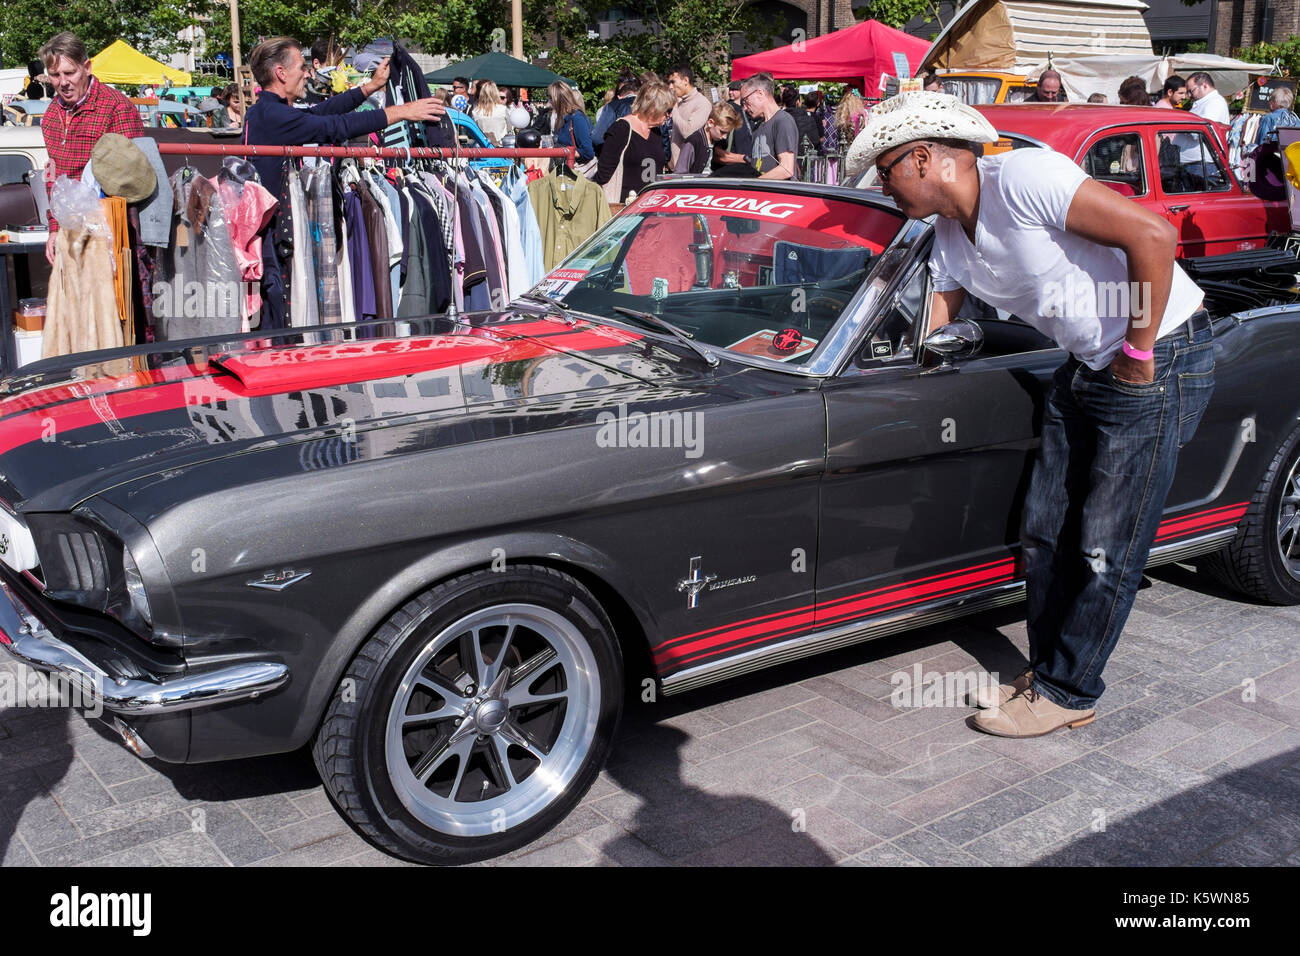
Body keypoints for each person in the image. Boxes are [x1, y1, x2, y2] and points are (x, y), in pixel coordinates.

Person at [846, 92, 1212, 737]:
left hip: (1158, 356)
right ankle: (1047, 671)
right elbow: (939, 321)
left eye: (887, 169)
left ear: (926, 158)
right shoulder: (949, 235)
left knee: (1106, 542)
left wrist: (1136, 350)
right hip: (1085, 364)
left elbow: (1152, 235)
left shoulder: (1022, 178)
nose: (883, 185)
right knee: (1045, 531)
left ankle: (1071, 691)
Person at [242, 36, 446, 329]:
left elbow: (320, 113)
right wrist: (402, 112)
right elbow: (333, 126)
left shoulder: (266, 111)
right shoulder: (273, 115)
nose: (308, 73)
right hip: (272, 241)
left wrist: (370, 87)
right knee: (279, 327)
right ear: (281, 73)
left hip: (273, 233)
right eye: (302, 67)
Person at [38, 31, 145, 265]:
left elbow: (133, 182)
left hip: (113, 235)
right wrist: (54, 228)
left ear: (87, 67)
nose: (63, 82)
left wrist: (105, 235)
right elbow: (54, 178)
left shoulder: (116, 107)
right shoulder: (50, 116)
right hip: (70, 231)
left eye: (69, 72)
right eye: (55, 75)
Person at [593, 81, 672, 202]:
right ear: (653, 108)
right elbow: (603, 175)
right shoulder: (621, 128)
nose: (669, 115)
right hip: (623, 208)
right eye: (667, 110)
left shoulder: (656, 133)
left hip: (651, 206)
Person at [739, 73, 798, 180]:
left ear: (759, 93)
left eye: (745, 100)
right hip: (760, 193)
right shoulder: (758, 126)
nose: (744, 108)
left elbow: (786, 169)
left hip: (777, 194)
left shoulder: (783, 121)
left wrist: (754, 184)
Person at [667, 65, 711, 170]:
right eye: (669, 83)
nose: (670, 87)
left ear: (686, 80)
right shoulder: (680, 102)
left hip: (689, 172)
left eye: (673, 82)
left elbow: (688, 132)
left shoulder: (702, 103)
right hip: (675, 169)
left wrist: (675, 108)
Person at [548, 80, 594, 163]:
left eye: (551, 98)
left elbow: (588, 152)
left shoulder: (577, 118)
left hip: (575, 169)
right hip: (564, 168)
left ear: (559, 99)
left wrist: (562, 152)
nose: (549, 101)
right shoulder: (562, 118)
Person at [594, 74, 638, 154]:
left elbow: (597, 138)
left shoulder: (612, 106)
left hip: (619, 158)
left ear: (619, 95)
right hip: (649, 160)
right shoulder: (651, 105)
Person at [780, 85, 821, 156]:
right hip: (804, 159)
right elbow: (816, 141)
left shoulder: (778, 118)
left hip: (783, 158)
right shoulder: (809, 119)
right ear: (797, 102)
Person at [472, 79, 509, 145]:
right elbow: (509, 128)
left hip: (483, 146)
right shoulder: (503, 109)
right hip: (501, 147)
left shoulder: (475, 112)